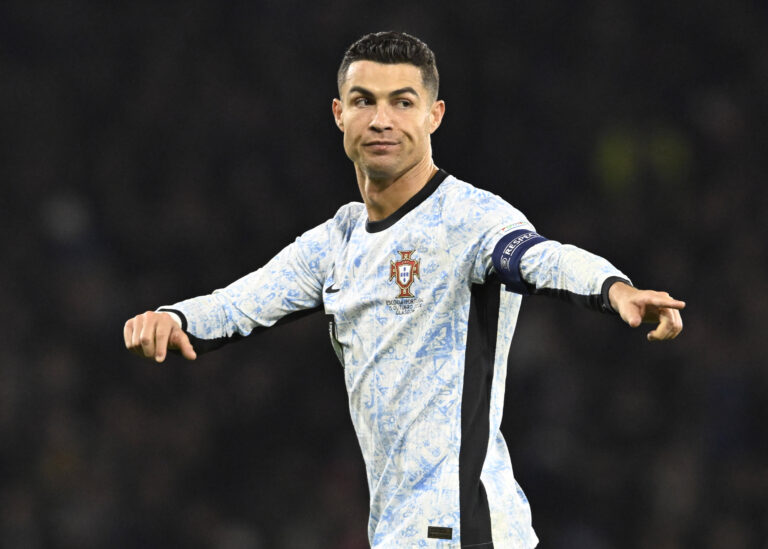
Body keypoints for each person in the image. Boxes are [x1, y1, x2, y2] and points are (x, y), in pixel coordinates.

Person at [124, 31, 684, 548]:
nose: (382, 120)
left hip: (468, 531)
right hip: (399, 532)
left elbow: (539, 258)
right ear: (339, 115)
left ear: (434, 115)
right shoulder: (335, 243)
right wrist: (174, 318)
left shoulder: (468, 219)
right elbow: (239, 302)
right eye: (365, 101)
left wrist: (615, 289)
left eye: (403, 102)